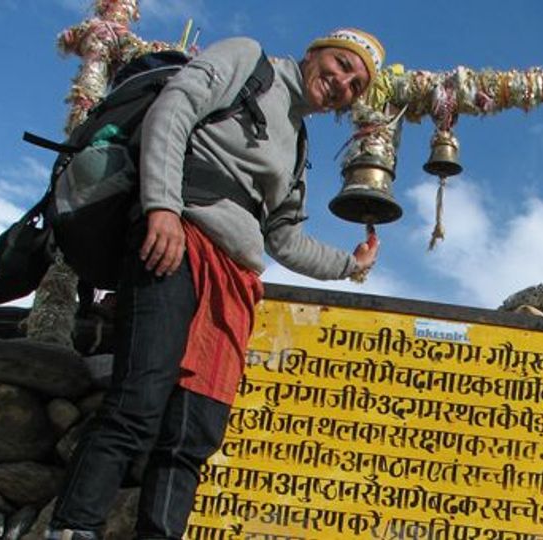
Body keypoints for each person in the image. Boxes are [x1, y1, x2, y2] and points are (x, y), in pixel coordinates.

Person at [46, 28, 386, 540]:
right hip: (178, 236)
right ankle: (72, 530)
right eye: (340, 63)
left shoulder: (297, 143)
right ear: (314, 52)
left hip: (233, 281)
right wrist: (161, 205)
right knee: (139, 400)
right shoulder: (250, 61)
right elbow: (175, 108)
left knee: (192, 433)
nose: (342, 82)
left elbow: (283, 238)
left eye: (355, 84)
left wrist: (350, 264)